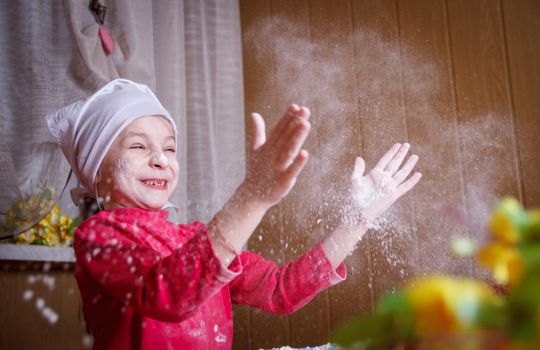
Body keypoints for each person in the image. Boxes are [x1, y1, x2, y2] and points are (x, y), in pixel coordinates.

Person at [46, 79, 421, 349]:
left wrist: (357, 219)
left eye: (170, 149)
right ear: (96, 170)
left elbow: (280, 290)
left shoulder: (195, 238)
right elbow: (169, 297)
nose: (161, 159)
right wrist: (252, 197)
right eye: (138, 146)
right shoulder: (97, 237)